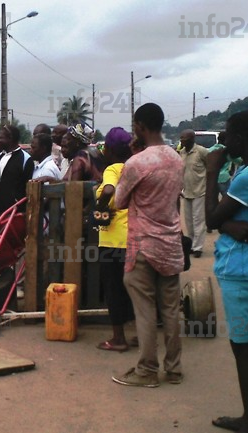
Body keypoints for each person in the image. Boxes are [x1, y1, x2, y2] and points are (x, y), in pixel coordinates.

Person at [205, 111, 248, 433]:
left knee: (243, 346)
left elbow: (209, 218)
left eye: (228, 135)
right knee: (240, 344)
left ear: (241, 138)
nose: (223, 140)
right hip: (245, 263)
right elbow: (225, 214)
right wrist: (228, 223)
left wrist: (211, 172)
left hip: (242, 269)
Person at [112, 103, 184, 388]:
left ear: (140, 126)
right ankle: (174, 369)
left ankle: (147, 371)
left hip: (143, 245)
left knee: (145, 310)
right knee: (170, 309)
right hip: (171, 243)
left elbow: (118, 201)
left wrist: (133, 158)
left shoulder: (136, 163)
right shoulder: (176, 158)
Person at [94, 127, 135, 352]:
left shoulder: (113, 168)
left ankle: (119, 338)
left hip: (113, 241)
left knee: (114, 289)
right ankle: (142, 334)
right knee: (136, 289)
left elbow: (108, 190)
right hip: (135, 237)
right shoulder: (135, 167)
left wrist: (99, 209)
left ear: (109, 149)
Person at [0, 125, 34, 218]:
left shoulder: (25, 158)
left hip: (15, 212)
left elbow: (27, 186)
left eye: (1, 137)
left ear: (10, 138)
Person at [179, 129, 209, 257]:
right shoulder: (181, 153)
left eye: (184, 138)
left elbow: (210, 166)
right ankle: (191, 245)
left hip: (200, 191)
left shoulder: (201, 151)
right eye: (181, 138)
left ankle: (198, 248)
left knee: (198, 220)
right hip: (187, 192)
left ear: (191, 139)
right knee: (189, 221)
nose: (181, 140)